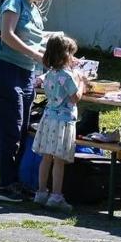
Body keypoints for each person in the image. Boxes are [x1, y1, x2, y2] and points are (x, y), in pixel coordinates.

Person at [0, 0, 56, 202]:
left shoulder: (34, 9)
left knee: (22, 129)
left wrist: (60, 53)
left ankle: (15, 181)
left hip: (25, 74)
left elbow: (35, 40)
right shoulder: (14, 3)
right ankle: (4, 186)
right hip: (5, 71)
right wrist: (37, 56)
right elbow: (8, 35)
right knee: (10, 130)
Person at [31, 35, 86, 212]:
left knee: (46, 157)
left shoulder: (50, 73)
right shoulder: (68, 76)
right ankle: (56, 196)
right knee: (59, 160)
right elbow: (75, 97)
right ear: (65, 55)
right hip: (63, 121)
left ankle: (40, 193)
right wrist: (82, 81)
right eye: (72, 54)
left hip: (48, 119)